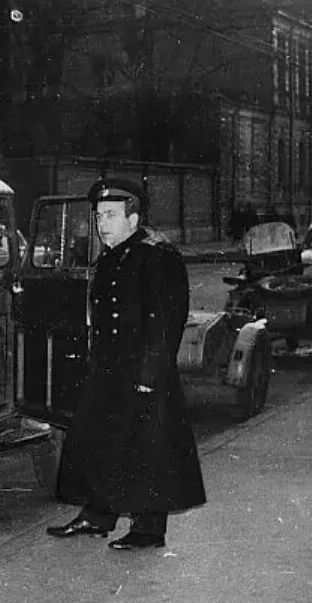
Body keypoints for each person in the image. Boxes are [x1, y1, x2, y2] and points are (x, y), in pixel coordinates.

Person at [46, 177, 206, 550]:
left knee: (149, 450)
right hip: (109, 371)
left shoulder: (156, 255)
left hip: (143, 372)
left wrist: (150, 375)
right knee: (101, 442)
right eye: (100, 216)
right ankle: (97, 516)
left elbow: (166, 320)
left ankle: (149, 531)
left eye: (111, 215)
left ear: (133, 218)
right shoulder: (112, 257)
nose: (102, 224)